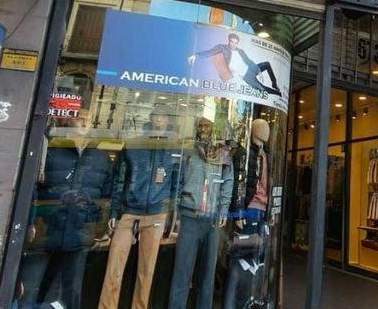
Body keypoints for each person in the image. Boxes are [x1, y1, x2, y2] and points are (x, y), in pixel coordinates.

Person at [18, 110, 114, 309]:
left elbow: (106, 196)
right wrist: (31, 222)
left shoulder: (100, 157)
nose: (84, 122)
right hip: (44, 233)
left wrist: (97, 228)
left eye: (89, 119)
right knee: (32, 289)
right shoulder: (51, 149)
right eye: (80, 117)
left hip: (79, 235)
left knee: (71, 291)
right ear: (68, 120)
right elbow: (32, 189)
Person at [98, 104, 180, 309]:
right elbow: (119, 180)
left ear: (168, 120)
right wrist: (115, 211)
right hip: (129, 211)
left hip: (157, 214)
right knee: (114, 267)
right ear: (151, 118)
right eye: (156, 115)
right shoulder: (134, 145)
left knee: (146, 272)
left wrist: (172, 217)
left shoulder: (174, 148)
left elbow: (176, 186)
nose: (159, 120)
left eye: (163, 116)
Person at [168, 117, 234, 309]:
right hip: (189, 216)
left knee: (207, 275)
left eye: (207, 126)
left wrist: (223, 209)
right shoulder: (188, 149)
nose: (203, 129)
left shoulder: (223, 152)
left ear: (214, 129)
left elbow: (227, 182)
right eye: (201, 126)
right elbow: (177, 179)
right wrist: (175, 211)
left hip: (212, 218)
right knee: (182, 272)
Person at [224, 119, 271, 309]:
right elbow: (239, 183)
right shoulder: (245, 153)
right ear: (254, 130)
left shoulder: (267, 154)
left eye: (267, 127)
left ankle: (247, 301)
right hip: (249, 210)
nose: (267, 131)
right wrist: (238, 213)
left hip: (262, 212)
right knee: (240, 258)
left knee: (255, 260)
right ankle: (231, 304)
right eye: (262, 127)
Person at [188, 33, 281, 97]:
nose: (234, 45)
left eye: (236, 43)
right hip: (246, 76)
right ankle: (278, 94)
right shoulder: (222, 48)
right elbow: (210, 52)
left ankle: (274, 83)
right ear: (228, 41)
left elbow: (248, 61)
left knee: (267, 64)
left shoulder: (240, 51)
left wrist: (258, 71)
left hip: (250, 69)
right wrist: (196, 56)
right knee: (262, 89)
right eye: (232, 42)